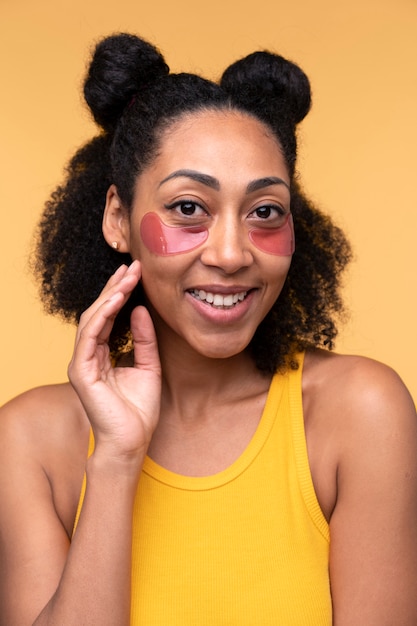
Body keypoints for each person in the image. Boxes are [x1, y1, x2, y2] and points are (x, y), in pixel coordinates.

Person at [0, 32, 416, 626]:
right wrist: (117, 459)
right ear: (119, 218)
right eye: (189, 208)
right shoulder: (27, 443)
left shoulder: (359, 413)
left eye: (265, 212)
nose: (231, 253)